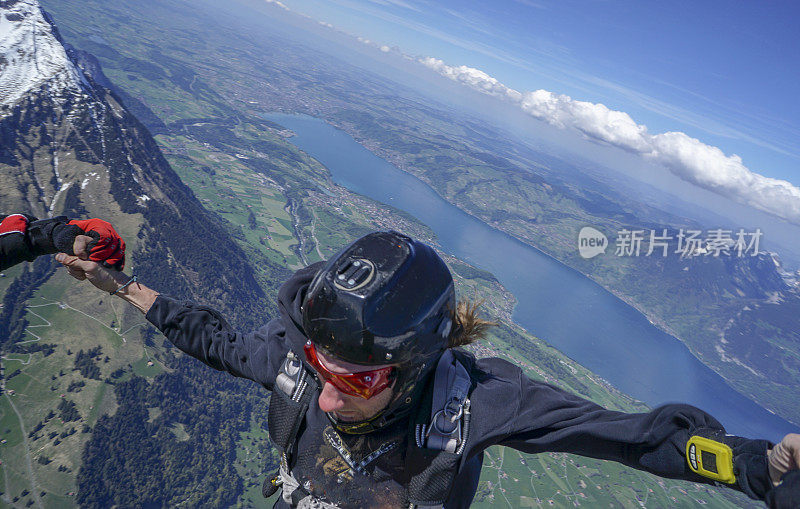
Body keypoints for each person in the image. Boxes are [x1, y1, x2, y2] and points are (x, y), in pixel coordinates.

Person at [3, 215, 799, 508]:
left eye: (352, 378)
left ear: (413, 367)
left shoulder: (479, 404)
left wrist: (755, 467)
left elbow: (627, 437)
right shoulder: (303, 364)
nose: (325, 392)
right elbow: (213, 338)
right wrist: (120, 285)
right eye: (319, 363)